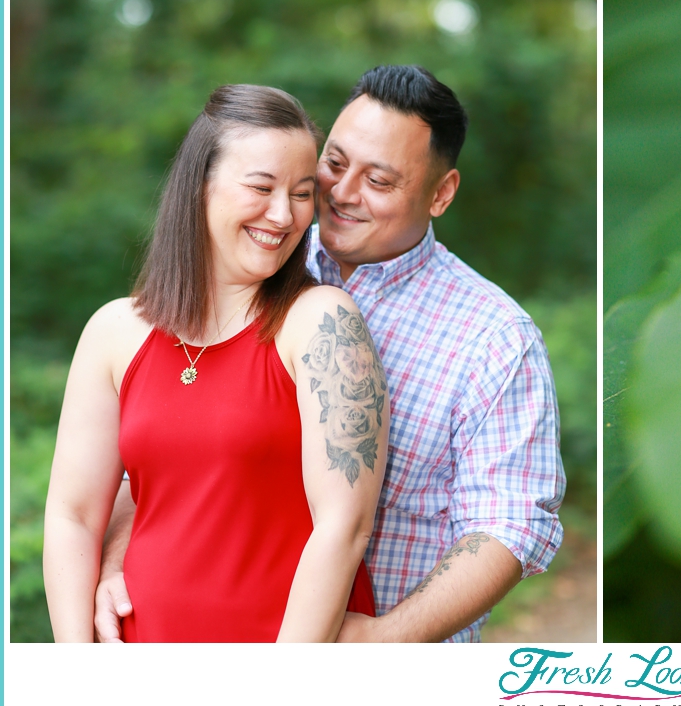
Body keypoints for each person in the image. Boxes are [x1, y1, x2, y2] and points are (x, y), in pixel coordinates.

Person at [95, 66, 566, 643]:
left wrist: (384, 639)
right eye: (336, 163)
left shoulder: (494, 339)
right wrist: (119, 556)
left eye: (380, 181)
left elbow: (509, 525)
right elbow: (165, 442)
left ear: (440, 193)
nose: (342, 193)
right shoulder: (256, 258)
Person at [44, 85, 388, 642]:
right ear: (199, 186)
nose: (284, 214)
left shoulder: (323, 323)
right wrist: (79, 675)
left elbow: (343, 526)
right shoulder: (114, 332)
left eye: (303, 193)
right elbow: (73, 516)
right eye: (261, 187)